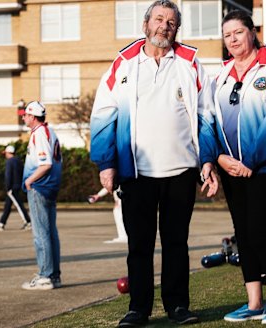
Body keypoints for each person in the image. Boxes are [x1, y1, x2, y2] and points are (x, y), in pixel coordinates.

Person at [90, 1, 218, 325]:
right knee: (139, 245)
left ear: (177, 29)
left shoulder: (190, 62)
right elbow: (103, 114)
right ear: (146, 24)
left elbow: (207, 114)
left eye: (171, 22)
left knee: (176, 242)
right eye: (159, 19)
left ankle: (178, 306)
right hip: (136, 172)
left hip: (180, 170)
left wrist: (207, 160)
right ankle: (139, 308)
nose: (165, 26)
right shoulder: (123, 64)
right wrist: (106, 163)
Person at [210, 10, 266, 324]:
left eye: (238, 32)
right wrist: (218, 158)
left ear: (252, 32)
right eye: (227, 35)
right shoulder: (220, 75)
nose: (232, 40)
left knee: (259, 232)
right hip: (231, 169)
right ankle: (254, 302)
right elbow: (208, 120)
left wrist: (252, 161)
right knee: (243, 235)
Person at [20, 101, 63, 290]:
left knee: (41, 233)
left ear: (33, 116)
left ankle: (45, 276)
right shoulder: (48, 131)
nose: (23, 117)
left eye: (25, 115)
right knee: (50, 233)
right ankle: (54, 275)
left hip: (40, 187)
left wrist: (29, 181)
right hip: (49, 187)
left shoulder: (39, 134)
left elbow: (45, 164)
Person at [0, 145, 32, 231]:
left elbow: (8, 175)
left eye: (5, 153)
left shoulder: (9, 162)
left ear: (8, 153)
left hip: (12, 187)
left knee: (19, 205)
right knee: (8, 205)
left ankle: (28, 222)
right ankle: (1, 223)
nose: (5, 155)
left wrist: (7, 187)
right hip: (18, 185)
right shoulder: (19, 161)